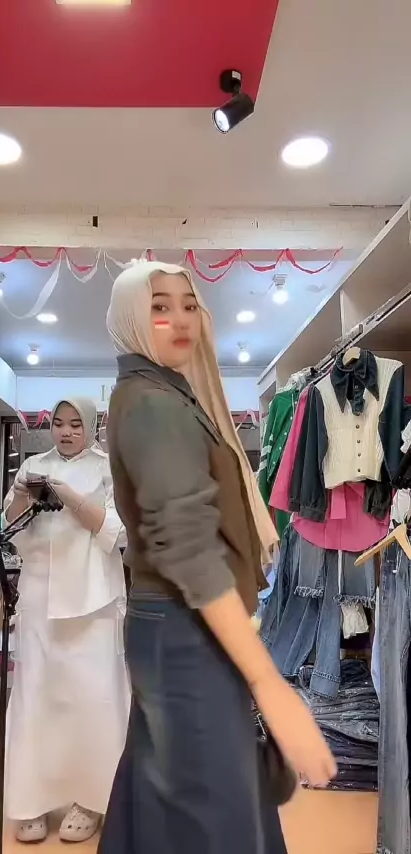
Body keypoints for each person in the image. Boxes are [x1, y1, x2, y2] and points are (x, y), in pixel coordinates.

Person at [98, 261, 337, 854]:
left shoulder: (163, 394)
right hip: (184, 626)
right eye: (158, 307)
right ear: (131, 318)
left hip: (176, 625)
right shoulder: (154, 405)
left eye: (189, 304)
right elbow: (190, 549)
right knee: (213, 813)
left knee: (173, 804)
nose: (180, 319)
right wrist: (271, 686)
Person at [3, 398, 130, 844]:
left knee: (93, 698)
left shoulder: (108, 468)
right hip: (40, 597)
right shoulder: (34, 465)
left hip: (93, 601)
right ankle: (32, 800)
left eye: (76, 424)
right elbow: (11, 526)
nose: (67, 431)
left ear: (91, 426)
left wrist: (72, 499)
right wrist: (24, 493)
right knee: (35, 696)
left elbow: (120, 532)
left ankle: (91, 800)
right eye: (59, 424)